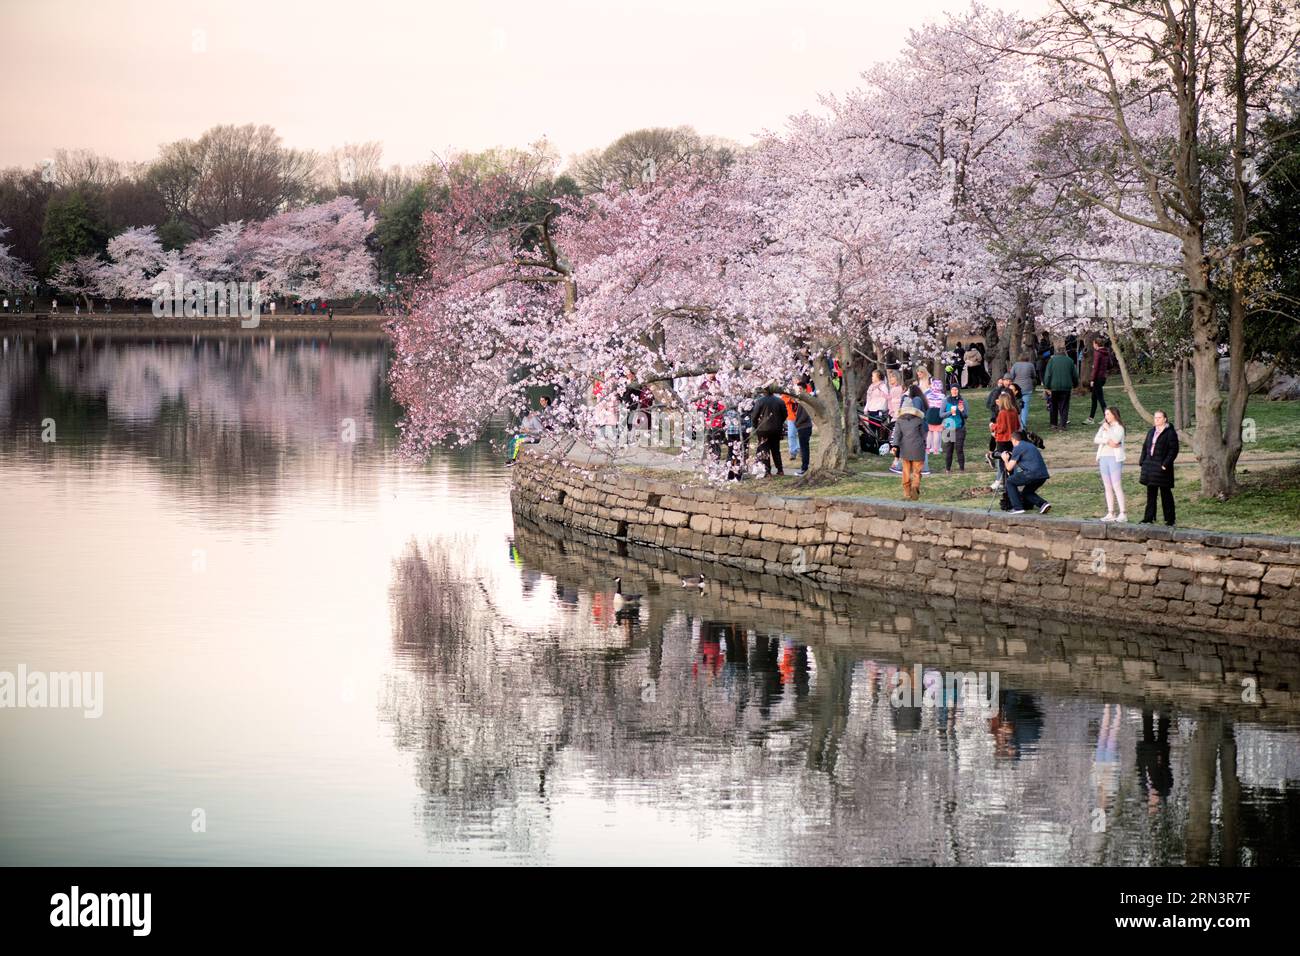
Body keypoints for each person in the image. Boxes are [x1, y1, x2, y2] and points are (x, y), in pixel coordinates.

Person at [1139, 409, 1179, 525]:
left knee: (1165, 493)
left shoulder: (1170, 432)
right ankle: (1149, 518)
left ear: (1165, 419)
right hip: (1150, 466)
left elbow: (1173, 450)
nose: (1157, 420)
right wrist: (1142, 461)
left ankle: (1170, 519)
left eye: (1159, 418)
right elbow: (1145, 446)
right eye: (1155, 418)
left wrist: (1165, 464)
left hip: (1162, 468)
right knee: (1151, 493)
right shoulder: (1151, 431)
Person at [1001, 429, 1051, 514]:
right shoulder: (1030, 445)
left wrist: (1005, 459)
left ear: (1014, 440)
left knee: (1010, 482)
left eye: (1011, 441)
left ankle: (1017, 508)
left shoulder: (1018, 447)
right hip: (1043, 475)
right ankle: (1043, 504)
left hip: (1032, 474)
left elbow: (1009, 468)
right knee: (1027, 492)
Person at [1093, 406, 1127, 522]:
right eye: (1105, 414)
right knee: (1107, 486)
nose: (1106, 416)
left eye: (1108, 414)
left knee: (1116, 486)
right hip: (1103, 457)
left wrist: (1108, 430)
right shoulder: (1103, 427)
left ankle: (1123, 513)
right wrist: (1107, 441)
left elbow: (1116, 440)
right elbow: (1096, 439)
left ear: (1114, 415)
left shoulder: (1119, 427)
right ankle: (1110, 512)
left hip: (1114, 458)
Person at [890, 402, 926, 500]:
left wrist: (895, 446)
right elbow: (924, 435)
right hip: (918, 448)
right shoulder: (919, 420)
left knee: (905, 471)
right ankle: (915, 486)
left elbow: (897, 435)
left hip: (905, 449)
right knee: (917, 471)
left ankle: (907, 493)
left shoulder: (899, 421)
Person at [1042, 345, 1079, 430]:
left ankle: (1053, 424)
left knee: (1053, 406)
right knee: (1064, 406)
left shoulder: (1051, 361)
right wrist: (1075, 384)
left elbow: (1047, 375)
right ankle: (1063, 424)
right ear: (1064, 353)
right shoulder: (1070, 361)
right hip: (1066, 387)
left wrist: (1046, 386)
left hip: (1054, 387)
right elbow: (1074, 375)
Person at [752, 386, 786, 477]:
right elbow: (785, 414)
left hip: (763, 429)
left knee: (764, 450)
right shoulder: (780, 401)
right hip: (776, 428)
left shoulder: (760, 401)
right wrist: (779, 422)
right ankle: (780, 469)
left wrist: (756, 426)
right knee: (776, 450)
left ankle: (767, 471)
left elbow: (754, 416)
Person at [990, 392, 1019, 490]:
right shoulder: (1014, 411)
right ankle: (1011, 481)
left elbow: (1001, 428)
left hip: (1002, 440)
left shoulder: (1002, 413)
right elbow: (1018, 425)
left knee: (1002, 461)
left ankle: (1004, 482)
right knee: (1011, 460)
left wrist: (993, 426)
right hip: (1012, 439)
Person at [1086, 337, 1113, 424]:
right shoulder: (1106, 352)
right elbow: (1110, 364)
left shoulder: (1097, 353)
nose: (1093, 345)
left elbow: (1096, 367)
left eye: (1094, 344)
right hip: (1103, 377)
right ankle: (1091, 418)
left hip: (1097, 378)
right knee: (1094, 398)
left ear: (1096, 344)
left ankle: (1107, 418)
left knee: (1100, 399)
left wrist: (1092, 379)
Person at [941, 384, 967, 472]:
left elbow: (966, 416)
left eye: (956, 389)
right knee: (949, 450)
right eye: (953, 389)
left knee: (959, 449)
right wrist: (949, 412)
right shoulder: (945, 401)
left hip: (960, 428)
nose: (954, 391)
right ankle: (948, 469)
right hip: (948, 428)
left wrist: (962, 411)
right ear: (950, 390)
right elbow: (941, 415)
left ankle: (962, 469)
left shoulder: (962, 401)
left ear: (958, 390)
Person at [1009, 351, 1038, 429]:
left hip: (1016, 388)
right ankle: (1023, 426)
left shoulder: (1015, 365)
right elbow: (1034, 375)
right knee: (1025, 408)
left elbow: (1011, 376)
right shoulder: (1030, 365)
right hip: (1027, 387)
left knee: (1015, 406)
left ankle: (1015, 424)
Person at [794, 400, 813, 476]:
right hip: (803, 427)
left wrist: (797, 423)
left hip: (804, 427)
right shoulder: (801, 401)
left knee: (804, 448)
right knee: (804, 448)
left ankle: (804, 468)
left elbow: (805, 415)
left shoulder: (804, 402)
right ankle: (805, 467)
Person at [781, 390, 800, 461]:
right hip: (791, 418)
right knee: (791, 435)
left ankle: (800, 449)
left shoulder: (798, 391)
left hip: (800, 416)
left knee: (800, 434)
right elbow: (783, 400)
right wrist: (791, 399)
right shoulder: (785, 394)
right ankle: (793, 452)